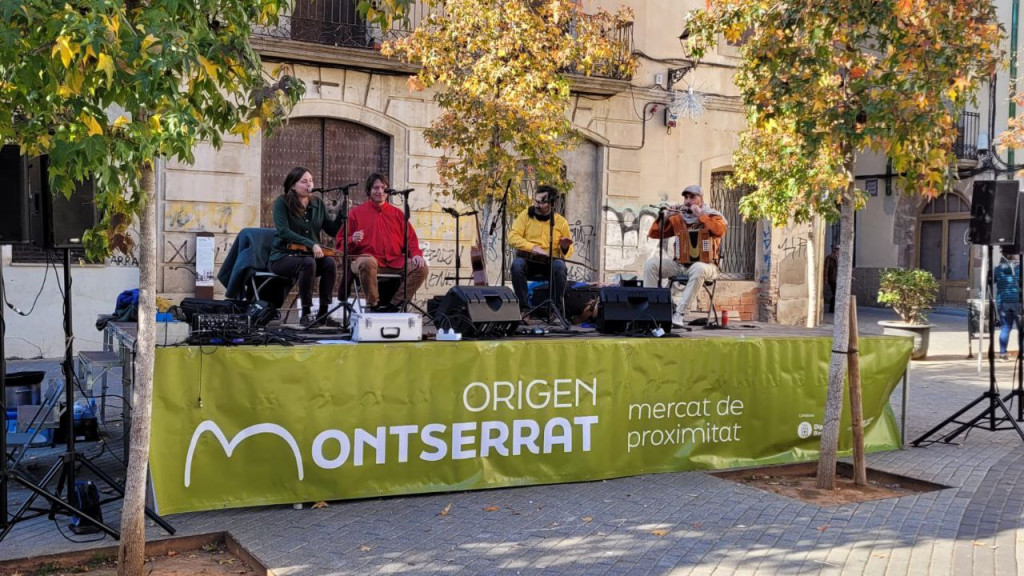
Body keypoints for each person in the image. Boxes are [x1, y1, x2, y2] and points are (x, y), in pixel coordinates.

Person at [642, 184, 727, 328]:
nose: (688, 201)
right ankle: (651, 310)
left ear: (701, 199)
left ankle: (679, 315)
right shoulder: (679, 218)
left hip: (708, 266)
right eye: (686, 198)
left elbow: (719, 230)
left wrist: (700, 215)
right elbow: (655, 234)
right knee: (652, 264)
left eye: (693, 197)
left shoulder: (713, 215)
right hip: (681, 265)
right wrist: (665, 217)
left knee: (699, 268)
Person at [269, 166, 344, 327]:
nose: (308, 184)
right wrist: (311, 243)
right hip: (283, 256)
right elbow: (283, 231)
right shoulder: (282, 202)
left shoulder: (317, 203)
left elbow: (331, 230)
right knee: (308, 263)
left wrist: (341, 216)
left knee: (329, 263)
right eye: (304, 181)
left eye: (310, 181)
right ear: (293, 185)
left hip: (308, 256)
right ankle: (306, 313)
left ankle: (323, 313)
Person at [342, 173, 428, 310]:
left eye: (384, 187)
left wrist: (416, 254)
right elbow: (340, 242)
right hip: (366, 261)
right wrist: (352, 239)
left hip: (394, 261)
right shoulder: (356, 213)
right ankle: (373, 305)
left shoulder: (397, 214)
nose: (380, 191)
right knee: (368, 262)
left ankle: (395, 305)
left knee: (421, 267)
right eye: (376, 188)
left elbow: (411, 240)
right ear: (369, 190)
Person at [508, 185, 574, 315]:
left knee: (560, 266)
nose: (537, 205)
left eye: (541, 202)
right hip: (529, 261)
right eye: (536, 201)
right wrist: (533, 247)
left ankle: (555, 311)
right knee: (517, 265)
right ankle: (524, 309)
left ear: (551, 204)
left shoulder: (561, 222)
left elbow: (569, 251)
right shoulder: (525, 216)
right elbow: (512, 237)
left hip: (550, 264)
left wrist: (565, 247)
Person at [994, 253, 1021, 361]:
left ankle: (1003, 354)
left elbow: (992, 281)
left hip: (1003, 301)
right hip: (1018, 302)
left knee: (1005, 328)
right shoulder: (1020, 268)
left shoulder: (997, 269)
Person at [824, 243, 840, 314]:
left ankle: (835, 308)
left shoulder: (840, 258)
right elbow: (826, 269)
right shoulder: (829, 257)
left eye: (838, 249)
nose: (838, 250)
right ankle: (832, 309)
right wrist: (826, 279)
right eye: (836, 249)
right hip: (833, 278)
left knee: (837, 294)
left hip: (839, 278)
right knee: (835, 293)